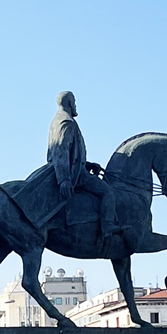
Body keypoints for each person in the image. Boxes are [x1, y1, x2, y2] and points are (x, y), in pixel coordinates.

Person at [47, 91, 119, 240]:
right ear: (69, 103)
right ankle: (107, 225)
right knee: (108, 192)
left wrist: (87, 165)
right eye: (74, 102)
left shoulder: (58, 120)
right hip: (75, 175)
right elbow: (61, 151)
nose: (75, 105)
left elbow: (69, 153)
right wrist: (64, 179)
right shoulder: (66, 122)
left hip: (76, 170)